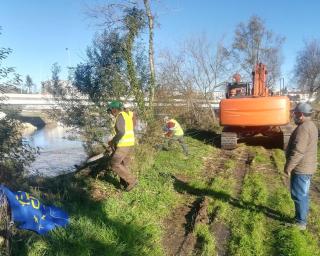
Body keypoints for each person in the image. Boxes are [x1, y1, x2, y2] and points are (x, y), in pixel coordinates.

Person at [284, 102, 318, 230]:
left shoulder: (303, 128)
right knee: (302, 194)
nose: (294, 115)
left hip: (301, 169)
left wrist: (289, 167)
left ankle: (300, 222)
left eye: (296, 113)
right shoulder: (311, 125)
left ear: (301, 115)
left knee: (298, 195)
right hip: (308, 167)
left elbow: (298, 151)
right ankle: (300, 218)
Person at [107, 100, 137, 191]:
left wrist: (112, 141)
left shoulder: (120, 116)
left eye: (110, 110)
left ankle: (132, 180)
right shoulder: (126, 114)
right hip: (130, 143)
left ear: (114, 109)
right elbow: (132, 125)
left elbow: (121, 132)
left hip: (124, 144)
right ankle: (124, 184)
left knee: (114, 163)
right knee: (124, 164)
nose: (110, 113)